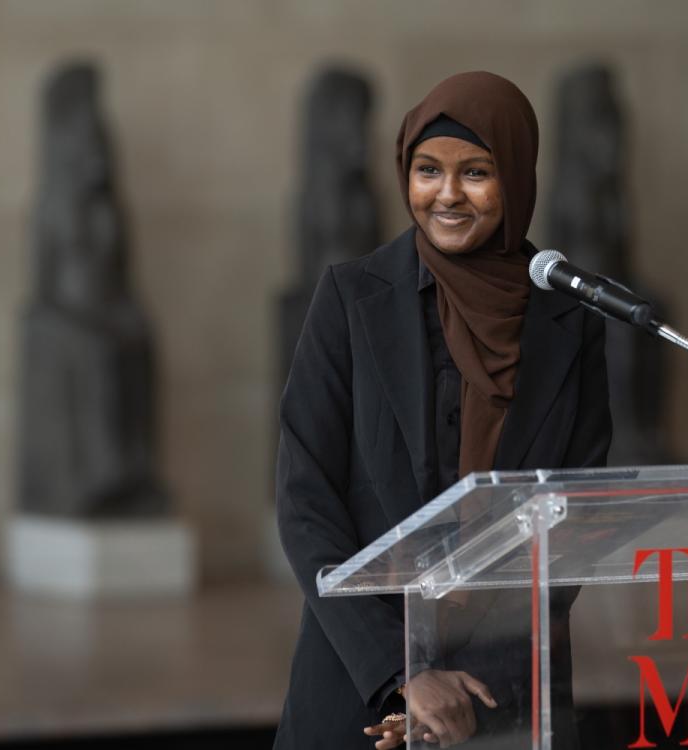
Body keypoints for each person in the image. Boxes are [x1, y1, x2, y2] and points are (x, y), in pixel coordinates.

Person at [274, 72, 611, 748]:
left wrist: (469, 683)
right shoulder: (350, 299)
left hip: (503, 690)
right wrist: (403, 675)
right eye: (428, 170)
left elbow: (575, 518)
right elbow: (305, 504)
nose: (447, 194)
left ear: (515, 177)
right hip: (356, 684)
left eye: (476, 172)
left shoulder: (570, 320)